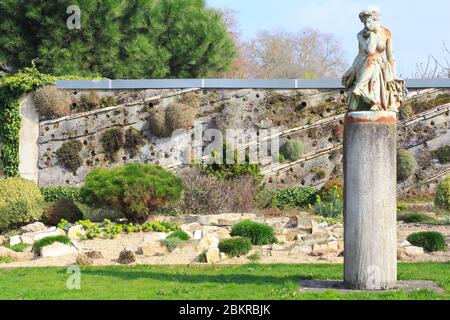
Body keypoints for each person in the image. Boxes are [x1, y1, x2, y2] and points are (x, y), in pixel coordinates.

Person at [342, 7, 404, 112]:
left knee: (375, 62)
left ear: (376, 20)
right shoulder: (361, 34)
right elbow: (366, 52)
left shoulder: (386, 33)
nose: (366, 26)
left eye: (369, 22)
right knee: (373, 60)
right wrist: (372, 35)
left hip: (380, 64)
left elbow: (390, 56)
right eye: (364, 23)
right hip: (363, 62)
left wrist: (394, 75)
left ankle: (361, 89)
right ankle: (372, 100)